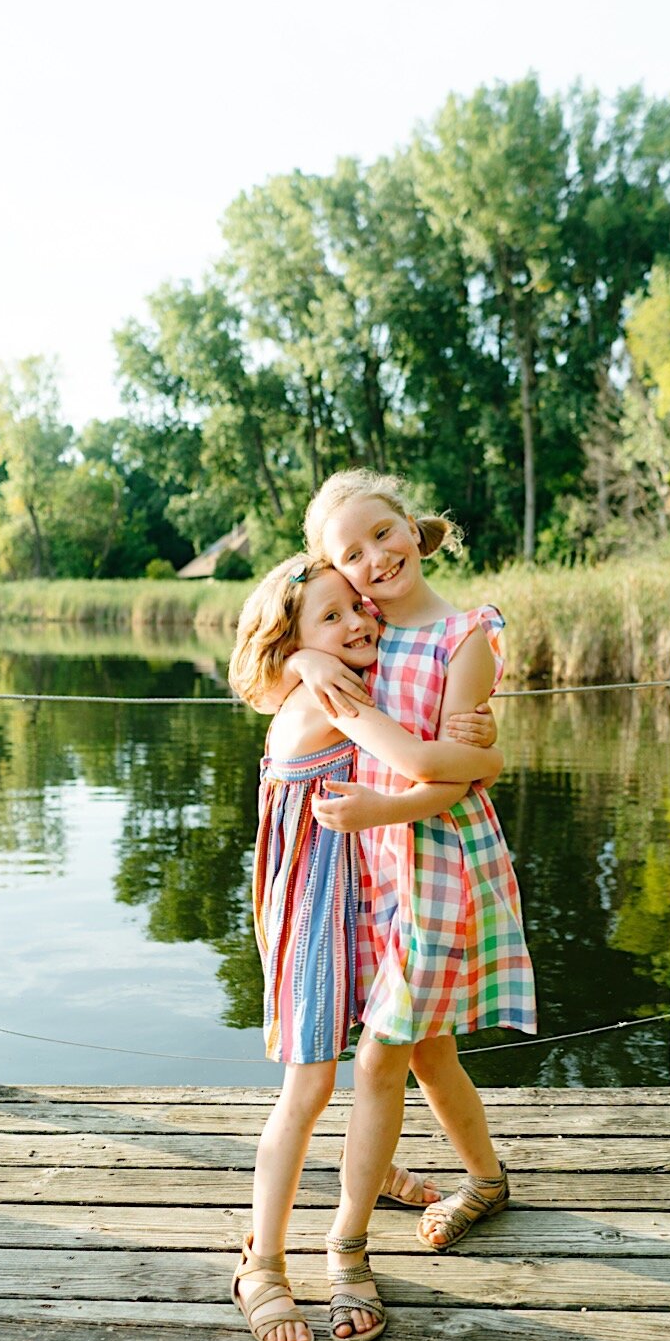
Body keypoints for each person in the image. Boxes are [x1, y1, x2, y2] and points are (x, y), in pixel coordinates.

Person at [226, 554, 505, 1341]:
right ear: (294, 639)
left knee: (417, 1047)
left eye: (357, 607)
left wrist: (307, 649)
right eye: (330, 617)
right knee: (310, 1083)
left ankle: (383, 1173)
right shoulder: (326, 688)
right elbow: (422, 762)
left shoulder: (328, 670)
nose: (355, 623)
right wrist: (487, 759)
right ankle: (263, 1263)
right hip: (317, 905)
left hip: (369, 883)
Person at [285, 469, 536, 1262]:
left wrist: (380, 809)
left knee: (380, 1055)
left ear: (412, 527)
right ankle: (487, 1182)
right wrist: (303, 662)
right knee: (429, 1050)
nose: (376, 559)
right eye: (351, 554)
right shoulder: (360, 635)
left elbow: (456, 776)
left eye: (382, 534)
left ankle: (345, 1239)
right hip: (379, 871)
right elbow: (262, 674)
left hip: (439, 864)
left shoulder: (466, 635)